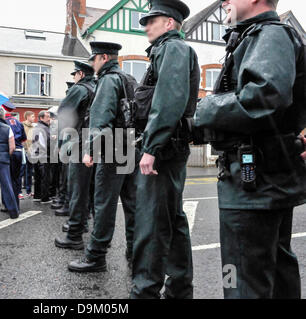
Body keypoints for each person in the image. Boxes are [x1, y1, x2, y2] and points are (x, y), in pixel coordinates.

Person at [194, 0, 306, 299]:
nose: (226, 1)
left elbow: (265, 95)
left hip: (253, 182)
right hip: (263, 179)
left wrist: (204, 107)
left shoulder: (269, 35)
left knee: (241, 277)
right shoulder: (259, 36)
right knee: (274, 269)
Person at [129, 0, 200, 299]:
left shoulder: (172, 49)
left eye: (151, 20)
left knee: (152, 221)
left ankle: (144, 292)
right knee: (173, 219)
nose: (146, 25)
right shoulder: (169, 50)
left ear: (169, 23)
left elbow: (168, 101)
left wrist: (152, 147)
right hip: (169, 146)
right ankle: (179, 288)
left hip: (164, 147)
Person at [68, 42, 139, 273]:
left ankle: (96, 256)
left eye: (94, 59)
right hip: (129, 144)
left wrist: (90, 150)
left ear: (104, 58)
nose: (92, 64)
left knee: (104, 204)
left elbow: (100, 119)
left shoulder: (108, 80)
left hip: (111, 146)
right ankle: (135, 253)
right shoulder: (129, 79)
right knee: (132, 204)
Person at [54, 60, 96, 250]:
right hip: (98, 143)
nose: (74, 78)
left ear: (80, 74)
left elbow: (64, 114)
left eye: (74, 75)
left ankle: (75, 234)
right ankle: (91, 230)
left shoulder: (80, 89)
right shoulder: (98, 86)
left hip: (79, 143)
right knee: (93, 191)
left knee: (77, 189)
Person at [3, 106, 27, 211]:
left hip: (8, 152)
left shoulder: (3, 123)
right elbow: (23, 139)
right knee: (17, 179)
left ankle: (6, 204)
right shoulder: (19, 123)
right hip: (18, 152)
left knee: (6, 179)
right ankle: (16, 204)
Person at [31, 111, 52, 204]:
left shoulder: (36, 127)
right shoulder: (44, 128)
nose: (49, 118)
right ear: (41, 118)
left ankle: (37, 196)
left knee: (38, 177)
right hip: (43, 155)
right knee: (45, 177)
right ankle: (45, 198)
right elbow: (47, 143)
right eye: (47, 117)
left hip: (36, 155)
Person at [22, 111, 35, 198]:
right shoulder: (22, 126)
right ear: (27, 117)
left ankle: (29, 191)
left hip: (32, 152)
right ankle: (20, 191)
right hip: (24, 151)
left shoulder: (33, 127)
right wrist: (26, 150)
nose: (34, 118)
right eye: (33, 116)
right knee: (22, 171)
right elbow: (23, 140)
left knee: (29, 172)